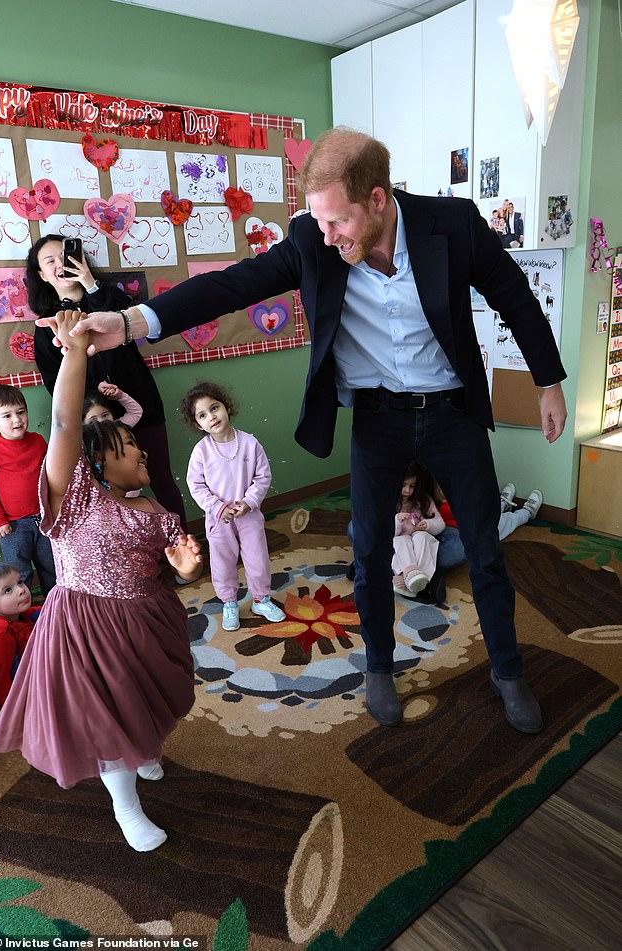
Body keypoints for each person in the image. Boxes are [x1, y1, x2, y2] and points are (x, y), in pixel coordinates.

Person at [49, 127, 568, 734]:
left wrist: (547, 382)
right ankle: (378, 665)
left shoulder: (450, 224)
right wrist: (135, 320)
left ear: (378, 199)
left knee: (484, 549)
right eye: (318, 223)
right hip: (377, 417)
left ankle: (507, 671)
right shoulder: (312, 239)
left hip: (453, 413)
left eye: (338, 222)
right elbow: (231, 285)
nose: (326, 237)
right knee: (369, 552)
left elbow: (514, 293)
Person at [0, 310, 203, 852]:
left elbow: (177, 561)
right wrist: (75, 355)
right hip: (88, 624)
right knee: (110, 711)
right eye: (134, 450)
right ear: (101, 461)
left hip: (148, 618)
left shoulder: (154, 506)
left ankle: (145, 749)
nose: (145, 453)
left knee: (146, 698)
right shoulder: (74, 496)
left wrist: (186, 567)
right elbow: (63, 423)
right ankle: (125, 805)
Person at [28, 235, 186, 525]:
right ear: (41, 275)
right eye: (49, 261)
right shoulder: (46, 325)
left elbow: (129, 318)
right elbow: (56, 384)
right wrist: (95, 396)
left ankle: (183, 552)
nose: (59, 264)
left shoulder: (107, 296)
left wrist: (90, 282)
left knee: (161, 479)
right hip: (95, 422)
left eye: (64, 256)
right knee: (108, 493)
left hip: (141, 404)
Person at [181, 381, 286, 632]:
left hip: (248, 516)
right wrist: (217, 507)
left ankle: (261, 599)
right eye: (203, 415)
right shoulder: (201, 452)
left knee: (257, 559)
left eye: (214, 408)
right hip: (219, 519)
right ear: (198, 424)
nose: (212, 417)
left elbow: (263, 477)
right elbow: (195, 485)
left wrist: (249, 502)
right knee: (222, 561)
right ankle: (229, 602)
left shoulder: (250, 443)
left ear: (226, 407)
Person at [0, 384, 56, 596]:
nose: (17, 420)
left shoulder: (37, 441)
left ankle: (55, 609)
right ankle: (22, 618)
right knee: (19, 574)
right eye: (6, 415)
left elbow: (51, 477)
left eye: (21, 412)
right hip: (12, 525)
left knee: (51, 568)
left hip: (44, 518)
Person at [436, 481, 544, 570]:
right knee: (506, 522)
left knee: (492, 514)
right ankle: (527, 512)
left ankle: (502, 504)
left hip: (475, 519)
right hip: (468, 531)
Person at [0, 563, 40, 715]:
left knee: (47, 615)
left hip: (19, 675)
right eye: (8, 590)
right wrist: (11, 716)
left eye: (20, 582)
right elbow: (0, 680)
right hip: (4, 694)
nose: (21, 590)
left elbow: (39, 612)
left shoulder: (14, 614)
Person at [392, 462, 445, 598]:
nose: (407, 491)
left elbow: (440, 524)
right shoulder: (389, 500)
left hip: (422, 542)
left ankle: (410, 579)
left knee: (421, 537)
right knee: (401, 540)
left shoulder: (423, 500)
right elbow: (385, 533)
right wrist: (398, 520)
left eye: (412, 486)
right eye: (403, 485)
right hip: (398, 543)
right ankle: (419, 581)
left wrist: (427, 524)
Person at [83, 382, 143, 500]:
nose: (101, 422)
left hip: (131, 495)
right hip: (104, 501)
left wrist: (120, 396)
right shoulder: (84, 443)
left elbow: (136, 412)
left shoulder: (118, 429)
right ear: (82, 424)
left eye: (105, 415)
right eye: (93, 420)